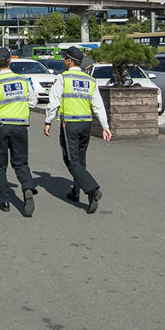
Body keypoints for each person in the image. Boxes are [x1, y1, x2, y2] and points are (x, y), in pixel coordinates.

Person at [43, 46, 113, 213]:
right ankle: (75, 192)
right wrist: (105, 126)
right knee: (80, 160)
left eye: (64, 58)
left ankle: (92, 189)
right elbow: (98, 105)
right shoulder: (90, 80)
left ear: (69, 60)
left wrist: (48, 121)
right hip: (86, 124)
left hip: (70, 125)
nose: (63, 60)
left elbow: (53, 102)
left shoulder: (63, 78)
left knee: (71, 160)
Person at [0, 47, 37, 216]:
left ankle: (2, 201)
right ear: (10, 60)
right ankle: (27, 188)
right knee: (21, 163)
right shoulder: (23, 80)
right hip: (21, 127)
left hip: (2, 127)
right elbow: (33, 102)